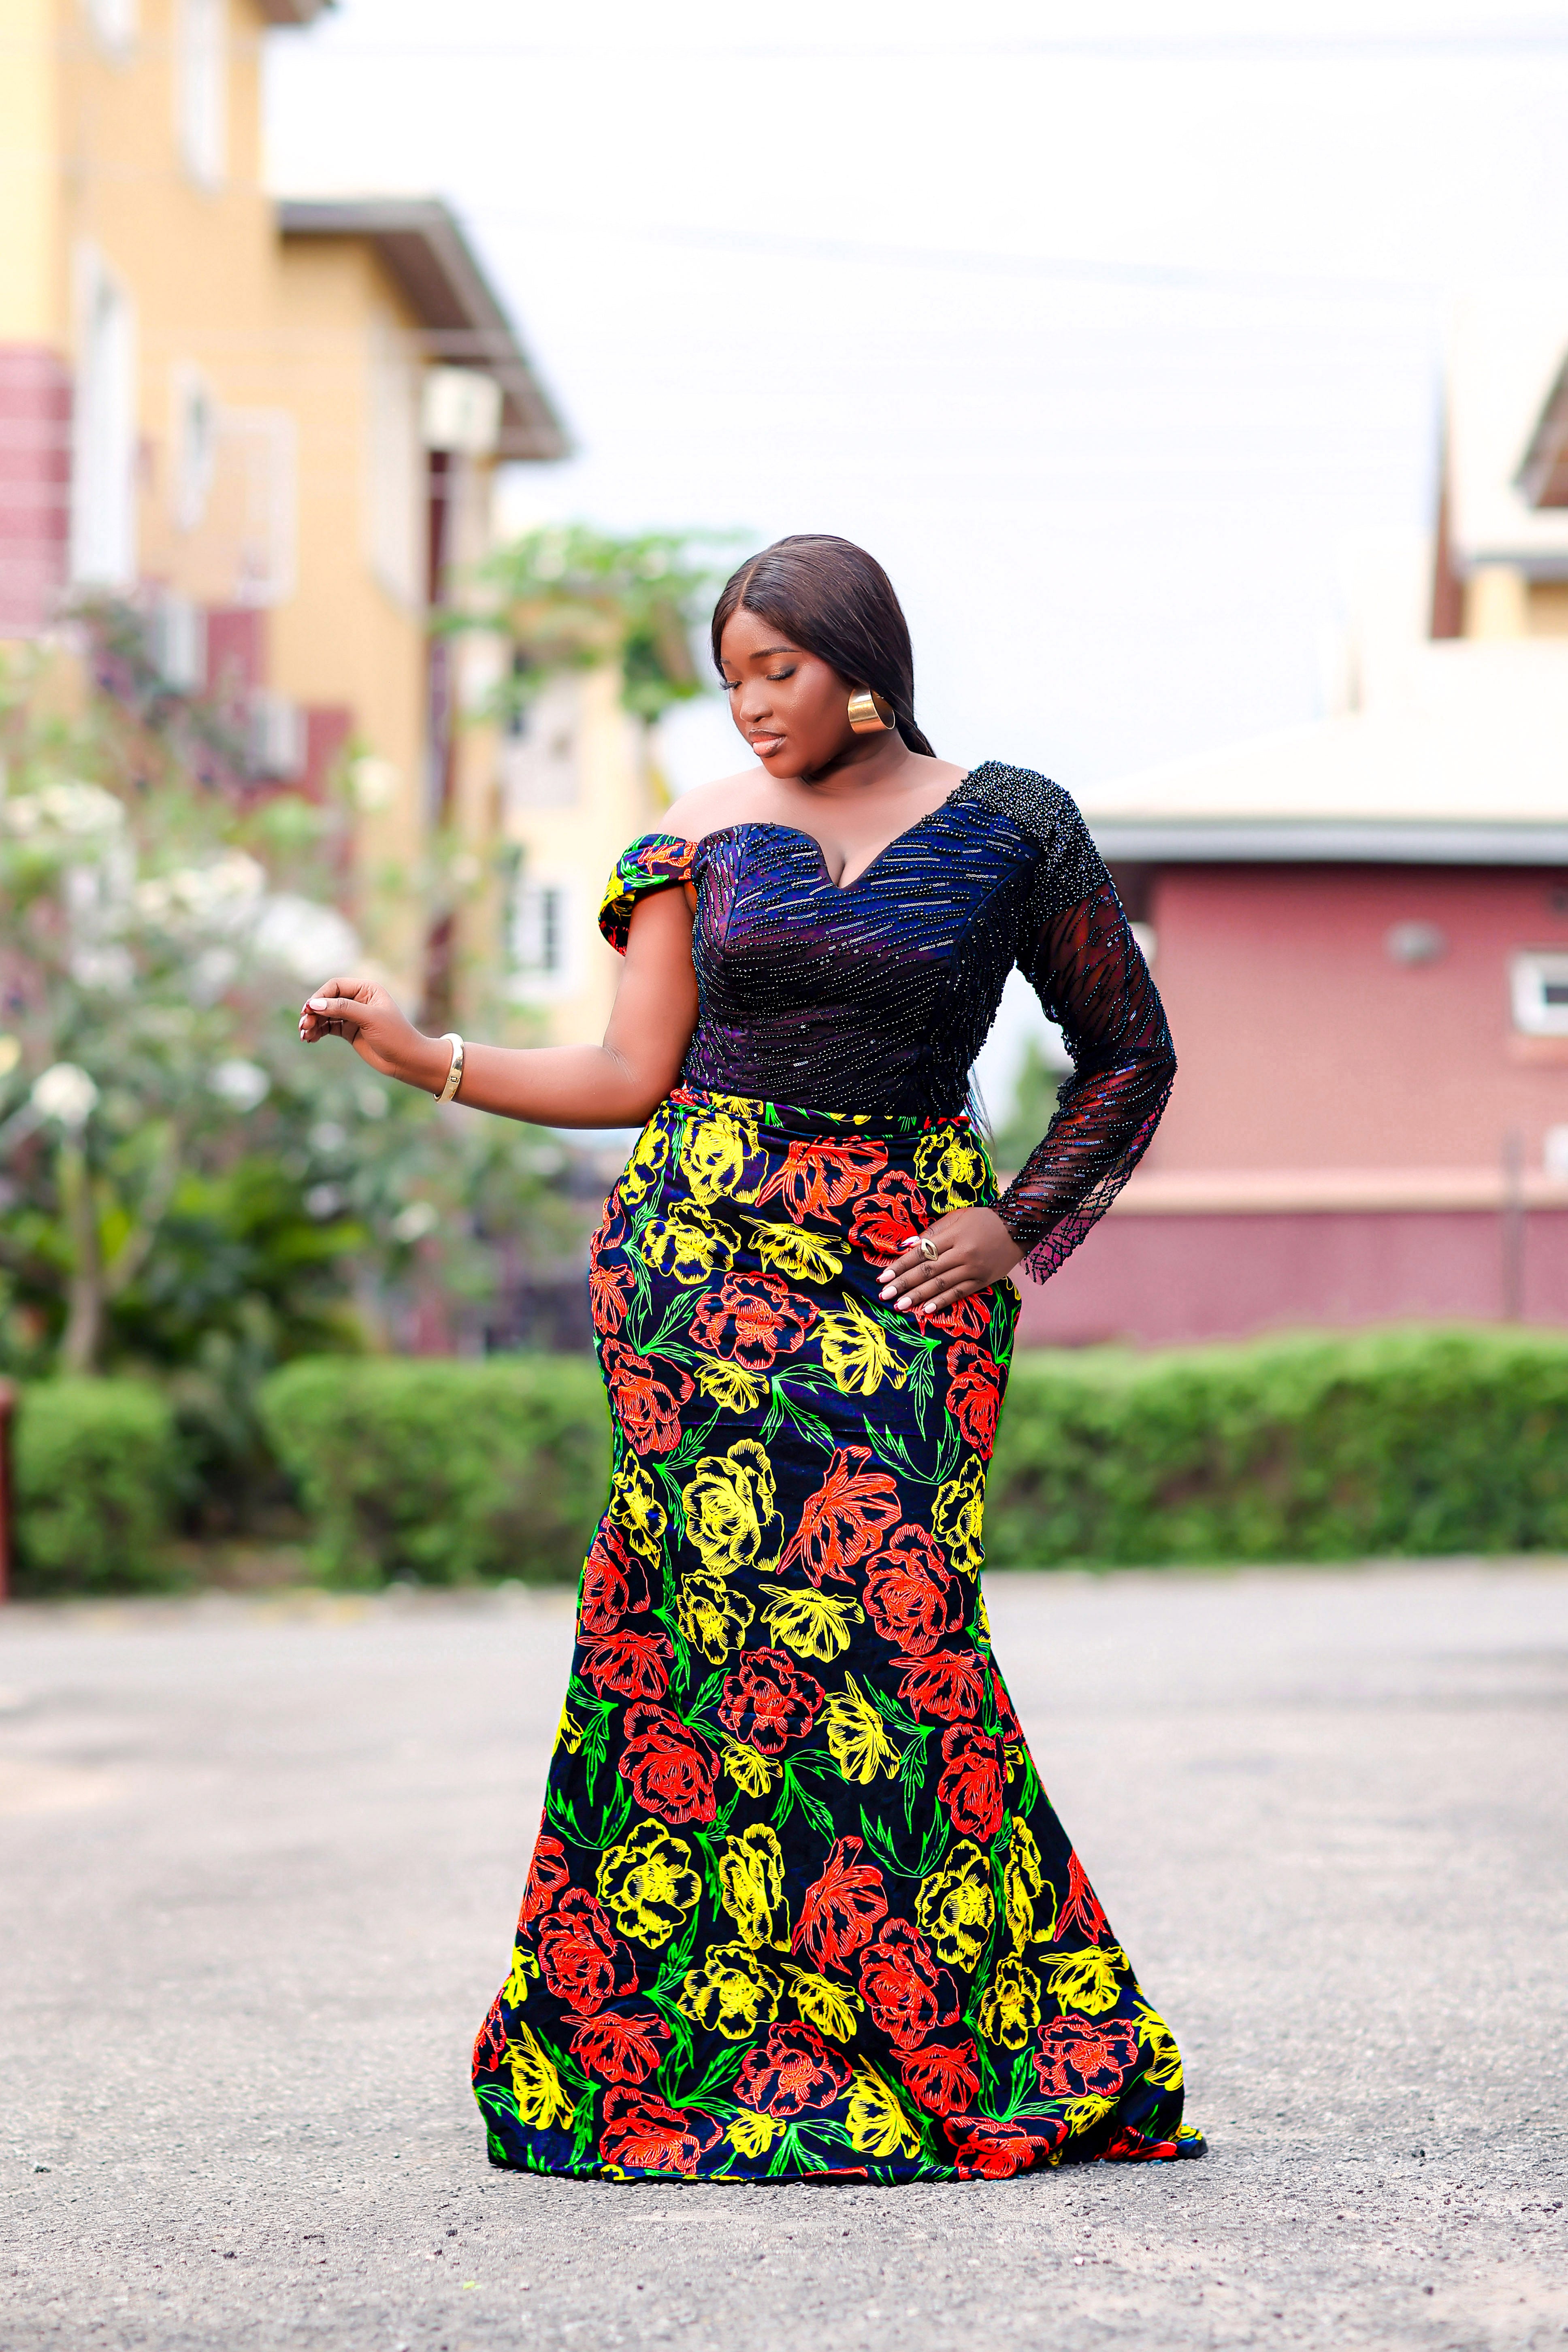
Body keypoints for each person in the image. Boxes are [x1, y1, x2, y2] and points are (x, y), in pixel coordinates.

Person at [299, 532, 1200, 2182]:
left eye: (774, 670)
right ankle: (698, 2034)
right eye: (728, 681)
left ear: (860, 659)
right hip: (694, 1271)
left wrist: (1014, 1225)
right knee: (699, 1644)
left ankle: (950, 2034)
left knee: (902, 1626)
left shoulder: (1015, 825)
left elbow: (1126, 1052)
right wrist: (412, 1051)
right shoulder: (693, 836)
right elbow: (627, 1073)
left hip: (906, 1273)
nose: (749, 708)